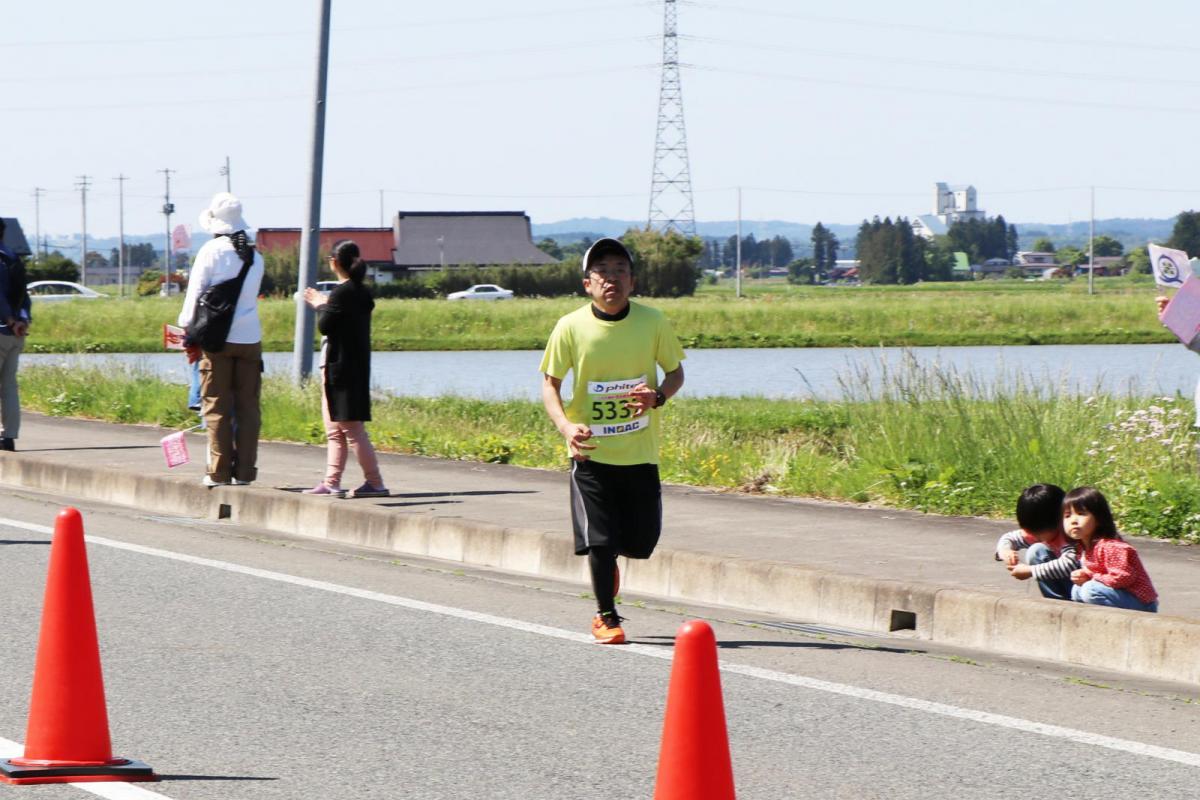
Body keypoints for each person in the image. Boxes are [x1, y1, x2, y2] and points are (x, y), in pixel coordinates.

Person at [540, 237, 685, 644]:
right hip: (590, 455)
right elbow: (550, 385)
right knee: (600, 541)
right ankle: (606, 615)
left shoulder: (653, 322)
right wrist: (567, 427)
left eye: (620, 270)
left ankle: (611, 567)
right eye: (602, 272)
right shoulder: (570, 327)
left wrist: (657, 397)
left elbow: (675, 374)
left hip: (639, 453)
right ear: (587, 284)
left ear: (632, 281)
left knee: (641, 541)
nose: (612, 279)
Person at [178, 193, 264, 487]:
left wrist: (188, 333)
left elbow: (194, 297)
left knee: (216, 407)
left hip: (217, 341)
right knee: (248, 408)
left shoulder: (211, 251)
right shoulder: (255, 257)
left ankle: (218, 471)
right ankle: (245, 473)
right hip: (250, 339)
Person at [302, 240, 388, 498]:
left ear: (334, 262)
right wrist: (327, 303)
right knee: (334, 430)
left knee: (352, 429)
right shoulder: (361, 291)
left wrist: (320, 303)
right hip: (351, 366)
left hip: (341, 368)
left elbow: (325, 325)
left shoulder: (342, 293)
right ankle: (331, 482)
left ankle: (375, 483)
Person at [1064, 486, 1158, 613]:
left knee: (1090, 590)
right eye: (1067, 516)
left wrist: (1091, 576)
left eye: (1081, 514)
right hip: (1119, 596)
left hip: (1141, 602)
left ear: (1099, 519)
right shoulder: (1083, 548)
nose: (1073, 521)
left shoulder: (1111, 546)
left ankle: (1113, 621)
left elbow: (1123, 577)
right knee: (1077, 590)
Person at [994, 483, 1076, 601]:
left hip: (1082, 585)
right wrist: (1005, 551)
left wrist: (1031, 571)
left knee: (1036, 551)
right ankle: (1056, 601)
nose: (1034, 538)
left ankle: (1065, 602)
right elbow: (1009, 538)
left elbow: (1070, 564)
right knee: (1036, 551)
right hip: (1069, 583)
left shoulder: (1071, 535)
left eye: (1037, 535)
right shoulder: (1042, 532)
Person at [0, 219, 31, 452]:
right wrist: (22, 320)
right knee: (9, 385)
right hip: (17, 333)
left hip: (3, 327)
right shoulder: (13, 258)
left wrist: (9, 320)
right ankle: (9, 436)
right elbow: (25, 297)